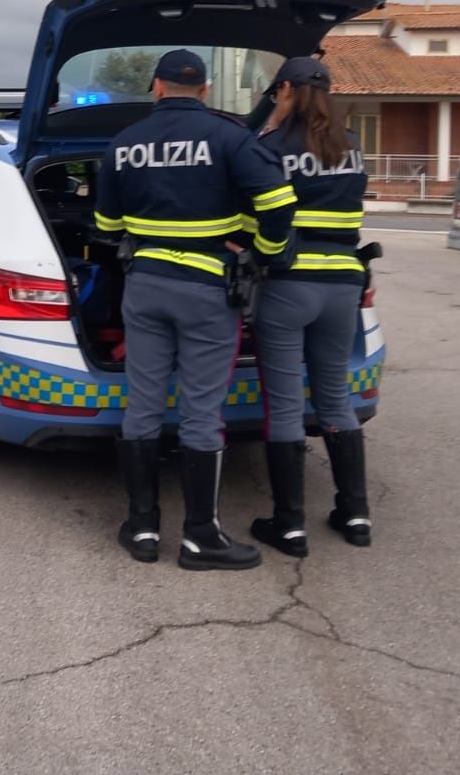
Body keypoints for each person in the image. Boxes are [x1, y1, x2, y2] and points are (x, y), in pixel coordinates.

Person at [95, 49, 297, 570]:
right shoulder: (231, 139)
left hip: (144, 290)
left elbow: (105, 228)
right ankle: (200, 537)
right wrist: (260, 254)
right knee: (202, 412)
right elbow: (277, 205)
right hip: (208, 292)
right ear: (204, 91)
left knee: (142, 406)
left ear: (156, 88)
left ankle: (141, 529)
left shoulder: (123, 146)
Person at [249, 55, 373, 555]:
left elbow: (255, 214)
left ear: (284, 92)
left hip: (287, 285)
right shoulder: (353, 148)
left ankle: (290, 525)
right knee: (334, 397)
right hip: (343, 283)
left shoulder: (271, 147)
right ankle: (355, 513)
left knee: (284, 405)